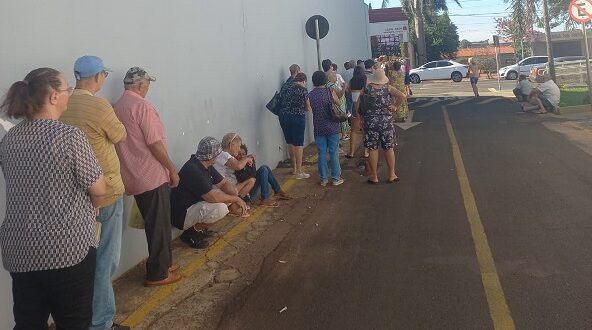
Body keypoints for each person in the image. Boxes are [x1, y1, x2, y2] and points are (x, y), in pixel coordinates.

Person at [0, 68, 106, 329]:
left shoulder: (10, 139)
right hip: (67, 250)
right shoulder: (69, 136)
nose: (69, 95)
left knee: (28, 323)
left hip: (20, 249)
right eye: (67, 90)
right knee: (74, 322)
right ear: (54, 97)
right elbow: (99, 188)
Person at [60, 56, 129, 330]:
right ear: (98, 76)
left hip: (74, 195)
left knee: (79, 262)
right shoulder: (98, 105)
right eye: (104, 75)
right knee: (105, 262)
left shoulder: (63, 103)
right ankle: (100, 323)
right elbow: (121, 135)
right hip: (106, 191)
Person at [114, 67, 181, 287]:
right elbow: (154, 142)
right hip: (151, 174)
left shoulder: (117, 107)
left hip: (132, 175)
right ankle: (158, 273)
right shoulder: (141, 106)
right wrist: (171, 168)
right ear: (141, 85)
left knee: (156, 222)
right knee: (159, 224)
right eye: (147, 84)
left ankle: (164, 263)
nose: (148, 88)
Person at [171, 137, 250, 249]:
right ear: (210, 156)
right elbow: (212, 197)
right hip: (181, 214)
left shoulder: (205, 164)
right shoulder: (193, 169)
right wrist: (237, 199)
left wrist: (235, 193)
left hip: (194, 205)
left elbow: (223, 184)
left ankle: (200, 229)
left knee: (227, 199)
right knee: (221, 208)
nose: (218, 156)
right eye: (217, 154)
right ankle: (190, 234)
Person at [356, 68, 406, 184]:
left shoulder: (366, 89)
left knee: (373, 149)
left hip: (370, 122)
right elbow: (402, 96)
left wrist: (360, 118)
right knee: (389, 148)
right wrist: (394, 106)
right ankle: (392, 174)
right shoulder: (388, 88)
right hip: (386, 122)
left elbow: (358, 105)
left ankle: (374, 176)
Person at [309, 71, 345, 186]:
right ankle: (335, 178)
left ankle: (323, 179)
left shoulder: (311, 94)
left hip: (319, 127)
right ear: (325, 80)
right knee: (334, 152)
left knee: (321, 154)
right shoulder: (329, 92)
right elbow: (338, 103)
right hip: (332, 126)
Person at [278, 72, 311, 179]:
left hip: (283, 117)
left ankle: (294, 169)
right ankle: (299, 172)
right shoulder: (303, 90)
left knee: (290, 142)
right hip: (297, 117)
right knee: (298, 144)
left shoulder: (285, 87)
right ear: (304, 81)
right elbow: (307, 107)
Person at [214, 133, 257, 206]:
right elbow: (238, 165)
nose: (239, 149)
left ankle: (235, 203)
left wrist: (248, 157)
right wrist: (247, 158)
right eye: (238, 146)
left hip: (223, 187)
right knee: (251, 181)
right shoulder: (224, 154)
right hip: (222, 189)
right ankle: (235, 204)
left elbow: (238, 161)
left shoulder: (224, 154)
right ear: (231, 144)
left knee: (250, 180)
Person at [346, 66, 367, 159]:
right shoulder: (365, 79)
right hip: (364, 104)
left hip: (354, 105)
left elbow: (347, 90)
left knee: (353, 131)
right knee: (366, 129)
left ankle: (351, 152)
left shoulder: (352, 80)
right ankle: (366, 151)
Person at [327, 70, 350, 142]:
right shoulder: (331, 85)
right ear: (330, 78)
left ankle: (344, 134)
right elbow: (339, 95)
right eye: (334, 76)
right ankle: (343, 135)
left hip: (341, 104)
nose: (336, 77)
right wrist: (344, 88)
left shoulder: (333, 84)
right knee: (341, 118)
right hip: (338, 105)